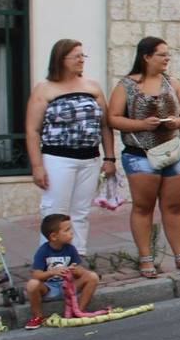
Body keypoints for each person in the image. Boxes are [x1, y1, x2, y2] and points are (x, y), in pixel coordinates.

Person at [107, 37, 180, 278]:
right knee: (143, 207)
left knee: (173, 207)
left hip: (173, 152)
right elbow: (113, 118)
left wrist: (177, 122)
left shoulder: (172, 83)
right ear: (146, 57)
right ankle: (146, 259)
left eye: (168, 54)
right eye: (162, 54)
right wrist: (141, 124)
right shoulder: (126, 86)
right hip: (140, 156)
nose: (167, 58)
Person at [25, 39, 115, 252]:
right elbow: (32, 130)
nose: (82, 60)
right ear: (61, 59)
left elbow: (105, 125)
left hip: (90, 158)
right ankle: (51, 261)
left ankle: (76, 257)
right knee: (55, 211)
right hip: (58, 159)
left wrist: (109, 158)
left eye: (83, 55)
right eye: (76, 56)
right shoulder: (44, 89)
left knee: (81, 212)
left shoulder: (92, 86)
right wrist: (37, 166)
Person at [23, 214, 100, 330]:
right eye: (67, 230)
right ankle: (38, 317)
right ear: (54, 236)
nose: (72, 233)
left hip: (68, 287)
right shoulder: (43, 251)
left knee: (93, 277)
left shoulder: (71, 249)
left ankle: (79, 311)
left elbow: (80, 272)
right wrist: (52, 272)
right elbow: (36, 274)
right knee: (32, 284)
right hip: (49, 288)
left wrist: (76, 270)